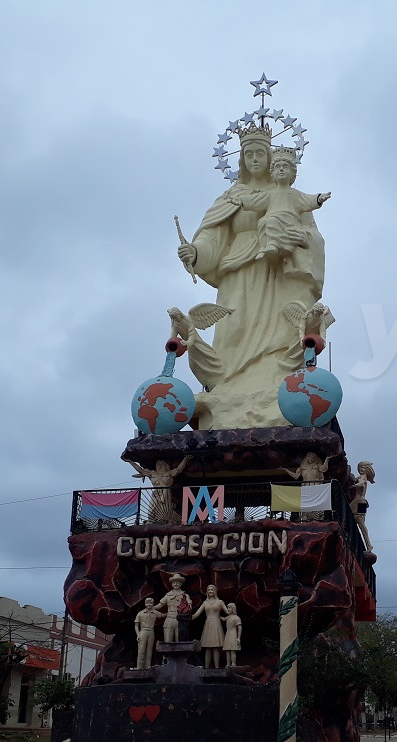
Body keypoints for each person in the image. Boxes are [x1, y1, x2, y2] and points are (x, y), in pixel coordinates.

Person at [176, 124, 326, 428]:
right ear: (241, 160)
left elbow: (314, 236)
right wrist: (196, 252)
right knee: (233, 332)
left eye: (260, 153)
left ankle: (278, 390)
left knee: (281, 331)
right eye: (249, 154)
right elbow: (213, 238)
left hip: (278, 273)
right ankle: (228, 389)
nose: (255, 159)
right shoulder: (232, 197)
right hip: (238, 275)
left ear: (270, 157)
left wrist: (301, 238)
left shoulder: (290, 196)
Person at [230, 148, 330, 263]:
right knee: (264, 223)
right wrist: (241, 200)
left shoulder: (295, 194)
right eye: (278, 167)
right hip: (266, 223)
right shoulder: (270, 194)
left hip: (289, 220)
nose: (255, 160)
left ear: (292, 174)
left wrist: (319, 198)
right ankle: (266, 246)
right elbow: (256, 200)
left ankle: (278, 246)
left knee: (271, 222)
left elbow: (308, 199)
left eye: (285, 167)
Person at [127, 457, 191, 524]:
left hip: (166, 494)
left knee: (164, 511)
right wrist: (130, 461)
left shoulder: (169, 473)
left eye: (161, 464)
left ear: (165, 466)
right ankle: (151, 521)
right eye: (158, 465)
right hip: (156, 494)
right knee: (151, 509)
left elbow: (179, 469)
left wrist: (185, 459)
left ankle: (165, 521)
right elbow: (141, 470)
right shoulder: (152, 473)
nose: (159, 466)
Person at [191, 585, 230, 668]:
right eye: (208, 589)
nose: (210, 591)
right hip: (208, 624)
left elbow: (228, 612)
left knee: (216, 647)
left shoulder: (220, 602)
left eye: (212, 589)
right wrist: (187, 616)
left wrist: (229, 615)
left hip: (216, 623)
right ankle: (206, 668)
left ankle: (217, 668)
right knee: (208, 647)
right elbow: (196, 614)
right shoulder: (205, 603)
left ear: (215, 591)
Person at [157, 573, 190, 643]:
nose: (176, 584)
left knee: (180, 642)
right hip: (169, 619)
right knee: (167, 641)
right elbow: (160, 605)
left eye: (178, 583)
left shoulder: (185, 595)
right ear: (172, 584)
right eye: (174, 583)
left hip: (180, 620)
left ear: (180, 584)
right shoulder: (168, 595)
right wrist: (151, 607)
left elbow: (189, 607)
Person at [134, 597, 159, 668]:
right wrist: (138, 635)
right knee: (141, 651)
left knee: (149, 651)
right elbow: (136, 625)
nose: (149, 604)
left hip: (151, 632)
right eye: (147, 603)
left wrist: (172, 612)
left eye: (151, 603)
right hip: (143, 632)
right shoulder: (140, 613)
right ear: (145, 604)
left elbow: (163, 615)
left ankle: (147, 666)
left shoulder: (155, 613)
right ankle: (139, 667)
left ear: (153, 604)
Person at [223, 602, 242, 668]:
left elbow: (240, 628)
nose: (228, 609)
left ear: (233, 609)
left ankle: (233, 664)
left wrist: (238, 638)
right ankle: (228, 663)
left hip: (233, 634)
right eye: (227, 608)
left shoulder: (236, 618)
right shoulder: (228, 617)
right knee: (227, 650)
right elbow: (223, 619)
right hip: (227, 634)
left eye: (229, 608)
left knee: (232, 650)